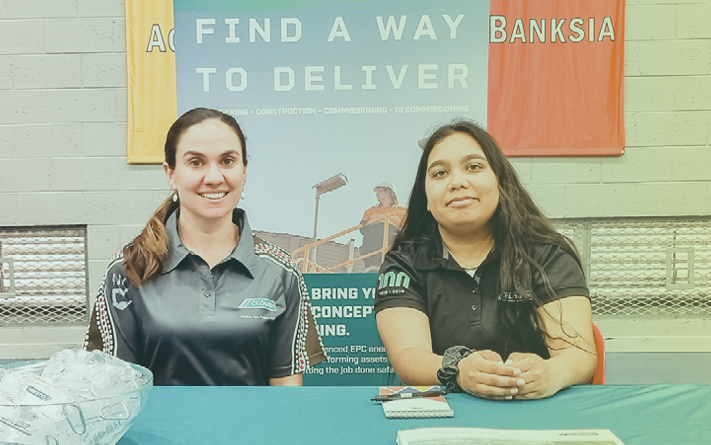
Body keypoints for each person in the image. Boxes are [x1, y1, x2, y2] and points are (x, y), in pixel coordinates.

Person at [84, 108, 326, 385]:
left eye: (227, 161)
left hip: (254, 417)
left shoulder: (280, 271)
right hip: (155, 418)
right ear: (170, 173)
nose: (213, 177)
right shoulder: (128, 268)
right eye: (196, 162)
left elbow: (285, 388)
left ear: (244, 170)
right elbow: (116, 390)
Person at [374, 121, 596, 400]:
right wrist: (457, 370)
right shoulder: (403, 263)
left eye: (473, 167)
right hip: (444, 414)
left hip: (534, 408)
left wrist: (552, 373)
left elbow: (578, 353)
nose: (457, 182)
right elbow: (409, 356)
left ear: (501, 183)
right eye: (440, 173)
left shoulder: (548, 254)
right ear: (426, 198)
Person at [359, 182, 407, 272]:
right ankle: (373, 266)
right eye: (376, 192)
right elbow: (362, 228)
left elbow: (407, 230)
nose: (377, 194)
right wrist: (387, 220)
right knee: (377, 230)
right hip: (372, 245)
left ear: (389, 192)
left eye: (380, 191)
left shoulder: (402, 211)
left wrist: (377, 219)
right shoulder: (370, 211)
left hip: (394, 247)